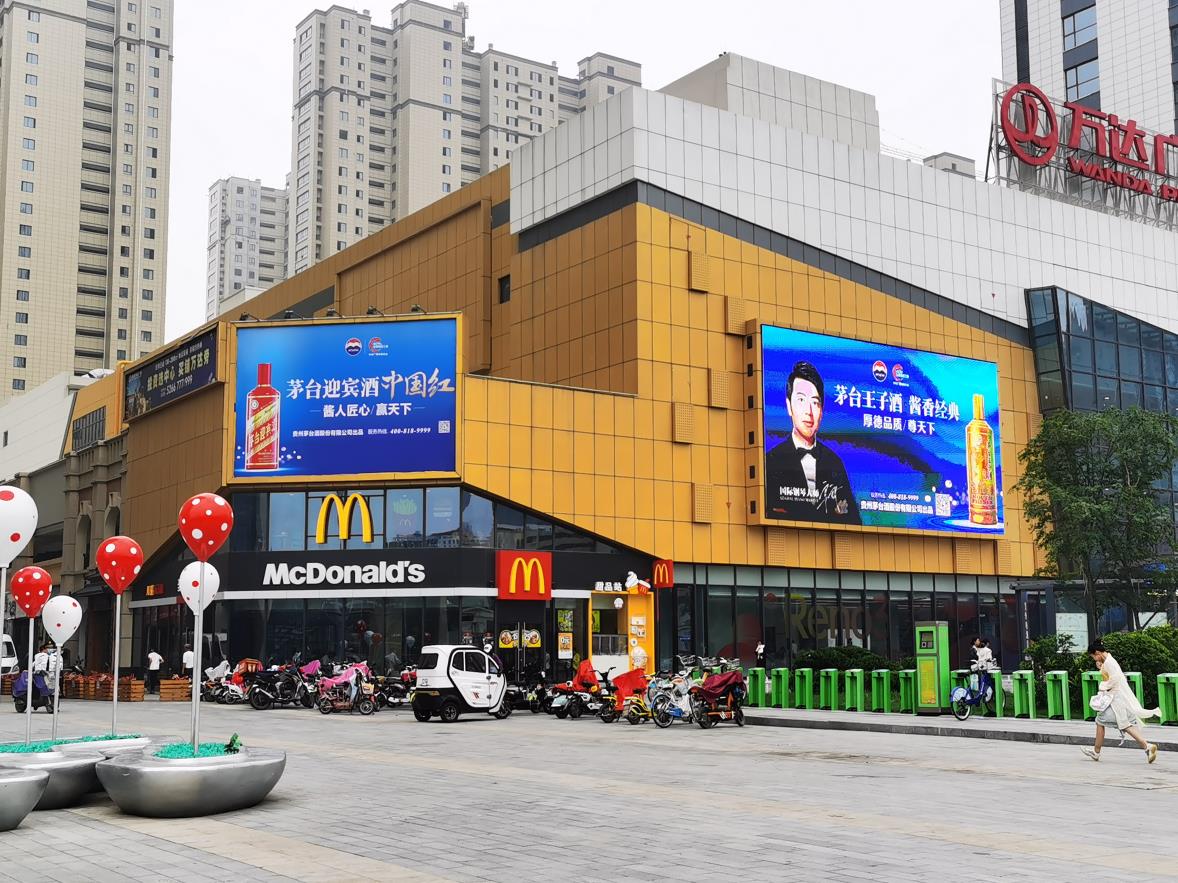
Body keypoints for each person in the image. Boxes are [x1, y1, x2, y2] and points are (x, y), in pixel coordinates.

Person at [764, 360, 860, 524]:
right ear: (789, 406)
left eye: (815, 403)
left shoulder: (834, 463)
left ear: (821, 411)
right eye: (801, 400)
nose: (809, 411)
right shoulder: (771, 461)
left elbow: (852, 521)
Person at [1082, 639, 1160, 764]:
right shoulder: (1108, 660)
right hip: (1116, 698)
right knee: (1122, 724)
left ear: (1097, 653)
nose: (1094, 659)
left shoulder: (1109, 663)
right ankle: (1147, 747)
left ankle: (1097, 752)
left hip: (1116, 699)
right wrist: (1101, 667)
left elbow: (1115, 679)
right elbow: (1111, 675)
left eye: (1093, 657)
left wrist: (1102, 686)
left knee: (1104, 721)